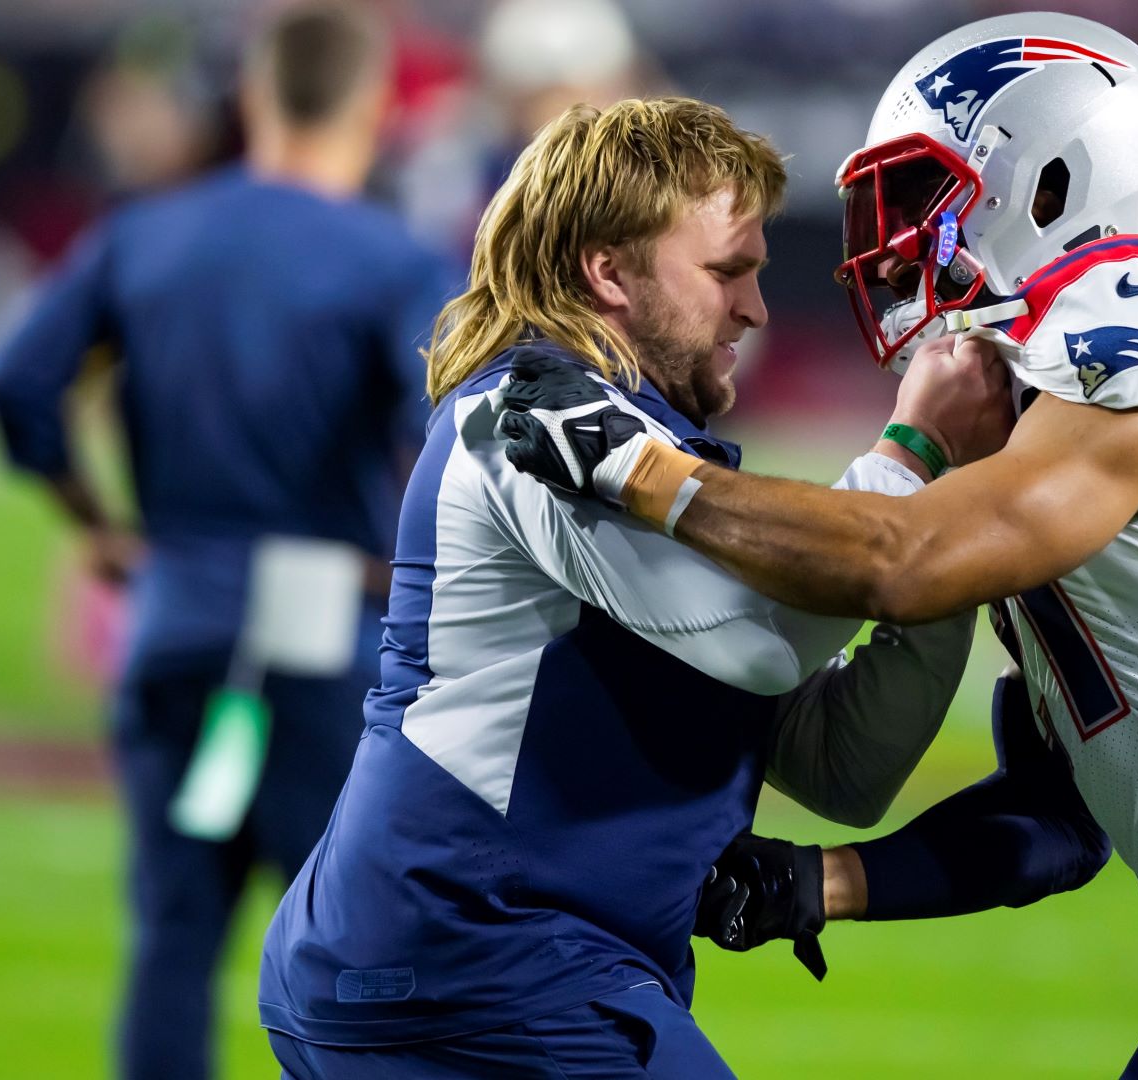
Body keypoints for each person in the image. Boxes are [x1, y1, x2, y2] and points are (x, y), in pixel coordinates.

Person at [499, 13, 1138, 1078]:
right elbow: (1058, 822)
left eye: (922, 196)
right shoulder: (1041, 412)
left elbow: (898, 563)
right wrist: (819, 885)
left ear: (1052, 182)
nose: (897, 239)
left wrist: (641, 472)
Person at [257, 96, 977, 1077]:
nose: (755, 310)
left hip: (500, 965)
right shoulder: (528, 415)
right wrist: (909, 461)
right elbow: (756, 638)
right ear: (609, 270)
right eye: (727, 272)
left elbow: (845, 770)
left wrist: (940, 558)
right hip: (468, 958)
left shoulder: (658, 450)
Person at [0, 5, 455, 1077]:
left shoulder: (146, 232)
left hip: (175, 610)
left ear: (253, 97)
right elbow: (456, 419)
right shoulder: (387, 258)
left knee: (172, 942)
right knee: (354, 953)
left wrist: (95, 527)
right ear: (373, 109)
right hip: (321, 625)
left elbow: (16, 380)